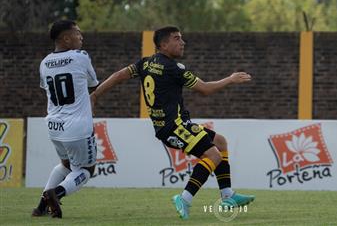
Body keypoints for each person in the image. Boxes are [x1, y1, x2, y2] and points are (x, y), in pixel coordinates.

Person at [90, 26, 255, 220]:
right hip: (174, 127)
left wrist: (95, 95)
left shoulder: (144, 63)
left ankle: (228, 195)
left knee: (220, 142)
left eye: (182, 38)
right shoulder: (173, 69)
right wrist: (230, 79)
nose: (182, 42)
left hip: (171, 126)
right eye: (177, 39)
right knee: (214, 155)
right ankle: (184, 198)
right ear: (163, 44)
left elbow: (118, 76)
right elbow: (205, 89)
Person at [32, 20, 99, 218]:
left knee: (66, 165)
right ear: (66, 38)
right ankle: (56, 193)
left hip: (54, 125)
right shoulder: (81, 56)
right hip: (77, 126)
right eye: (77, 33)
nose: (81, 37)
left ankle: (41, 207)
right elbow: (93, 83)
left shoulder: (44, 63)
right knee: (86, 169)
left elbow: (48, 88)